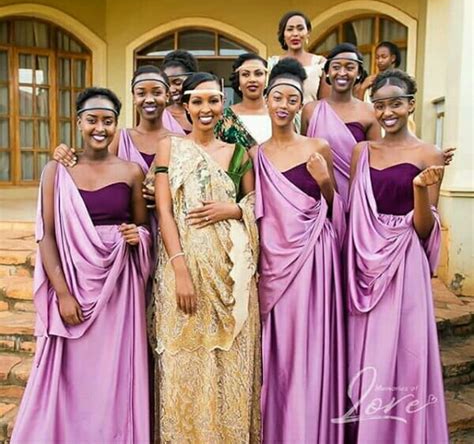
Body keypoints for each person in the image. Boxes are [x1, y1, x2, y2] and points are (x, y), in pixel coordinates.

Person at [11, 88, 152, 443]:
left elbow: (143, 227)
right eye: (92, 120)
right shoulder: (56, 171)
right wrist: (62, 293)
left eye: (107, 121)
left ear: (116, 124)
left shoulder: (132, 171)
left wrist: (138, 237)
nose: (99, 128)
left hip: (118, 291)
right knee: (74, 374)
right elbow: (47, 234)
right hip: (73, 283)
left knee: (114, 374)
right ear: (78, 123)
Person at [149, 72, 261, 442]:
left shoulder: (238, 153)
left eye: (213, 100)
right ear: (184, 108)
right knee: (184, 362)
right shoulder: (170, 148)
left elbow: (255, 205)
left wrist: (230, 211)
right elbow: (164, 211)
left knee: (228, 363)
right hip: (181, 268)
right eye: (197, 101)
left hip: (230, 273)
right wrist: (180, 269)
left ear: (223, 104)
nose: (205, 109)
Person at [343, 69, 448, 442]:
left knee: (403, 354)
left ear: (411, 105)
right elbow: (356, 212)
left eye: (396, 104)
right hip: (363, 265)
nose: (387, 112)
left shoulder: (428, 153)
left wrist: (420, 189)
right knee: (364, 355)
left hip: (404, 265)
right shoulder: (363, 151)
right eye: (380, 105)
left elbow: (423, 230)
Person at [254, 58, 346, 443]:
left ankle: (309, 427)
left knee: (309, 344)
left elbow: (337, 206)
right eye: (277, 96)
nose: (283, 104)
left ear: (298, 106)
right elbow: (251, 209)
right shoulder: (257, 154)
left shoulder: (318, 146)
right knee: (277, 349)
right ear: (267, 100)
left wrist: (326, 182)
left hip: (312, 258)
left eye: (292, 98)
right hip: (272, 260)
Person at [53, 65, 183, 207]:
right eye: (141, 93)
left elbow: (190, 188)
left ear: (167, 95)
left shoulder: (181, 142)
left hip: (170, 223)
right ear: (134, 97)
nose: (149, 99)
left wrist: (167, 194)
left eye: (157, 93)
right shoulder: (119, 138)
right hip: (130, 225)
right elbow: (98, 170)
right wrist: (65, 154)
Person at [301, 43, 381, 203]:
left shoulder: (370, 112)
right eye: (336, 67)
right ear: (328, 73)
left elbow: (376, 159)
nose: (342, 73)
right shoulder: (310, 110)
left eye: (350, 67)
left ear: (358, 73)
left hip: (357, 197)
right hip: (318, 196)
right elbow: (304, 155)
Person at [268, 11, 330, 132]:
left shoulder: (320, 64)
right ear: (283, 35)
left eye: (300, 28)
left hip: (312, 127)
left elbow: (325, 104)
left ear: (308, 33)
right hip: (279, 126)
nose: (295, 34)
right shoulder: (272, 64)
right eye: (290, 29)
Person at [215, 53, 271, 149]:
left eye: (258, 74)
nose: (252, 79)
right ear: (238, 80)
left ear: (267, 79)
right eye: (245, 74)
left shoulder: (280, 115)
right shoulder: (224, 118)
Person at [161, 49, 199, 134]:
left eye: (177, 83)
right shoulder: (161, 117)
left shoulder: (205, 112)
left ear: (192, 79)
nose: (171, 89)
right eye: (167, 84)